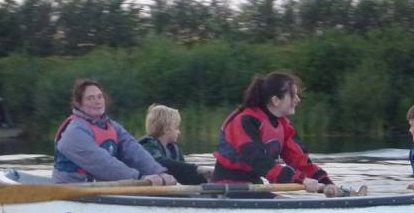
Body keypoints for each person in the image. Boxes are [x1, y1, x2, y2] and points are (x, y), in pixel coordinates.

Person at [212, 70, 344, 196]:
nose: (298, 100)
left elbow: (301, 162)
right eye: (293, 95)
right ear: (275, 100)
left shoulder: (284, 126)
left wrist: (327, 184)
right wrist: (300, 179)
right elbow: (258, 161)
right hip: (227, 186)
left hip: (253, 186)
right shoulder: (245, 121)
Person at [53, 79, 177, 185]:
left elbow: (134, 151)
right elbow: (102, 163)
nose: (97, 101)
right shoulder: (74, 132)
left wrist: (159, 172)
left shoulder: (112, 126)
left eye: (100, 96)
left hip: (100, 188)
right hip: (72, 189)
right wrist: (139, 177)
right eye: (90, 98)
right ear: (79, 104)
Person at [138, 104, 213, 185]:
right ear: (167, 130)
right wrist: (197, 168)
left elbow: (183, 173)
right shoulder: (149, 145)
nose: (179, 132)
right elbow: (161, 163)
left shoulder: (174, 148)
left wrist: (206, 178)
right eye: (177, 128)